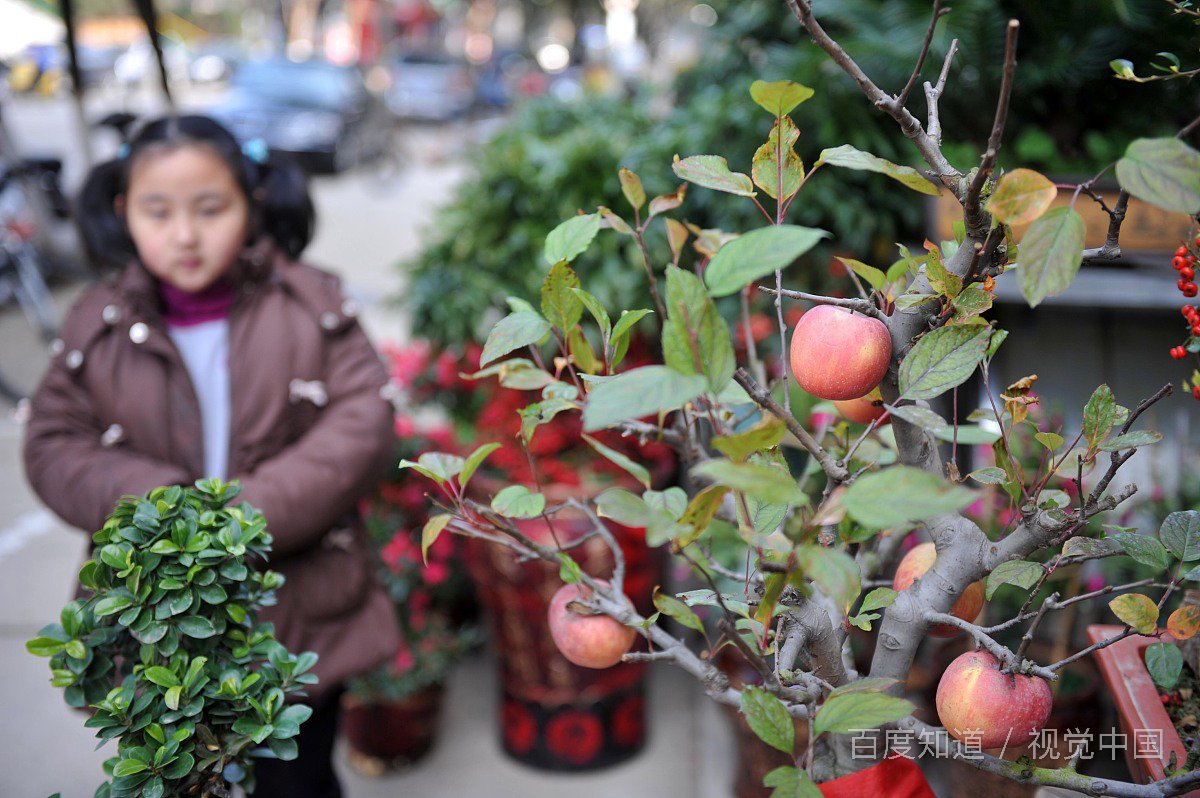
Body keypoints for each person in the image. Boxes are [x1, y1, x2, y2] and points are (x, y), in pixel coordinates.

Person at [22, 114, 400, 797]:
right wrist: (168, 508)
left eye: (210, 208)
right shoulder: (96, 321)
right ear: (122, 210)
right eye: (158, 212)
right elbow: (53, 442)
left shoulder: (312, 303)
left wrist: (235, 518)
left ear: (252, 204)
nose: (185, 235)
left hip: (299, 611)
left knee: (299, 778)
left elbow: (363, 425)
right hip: (158, 628)